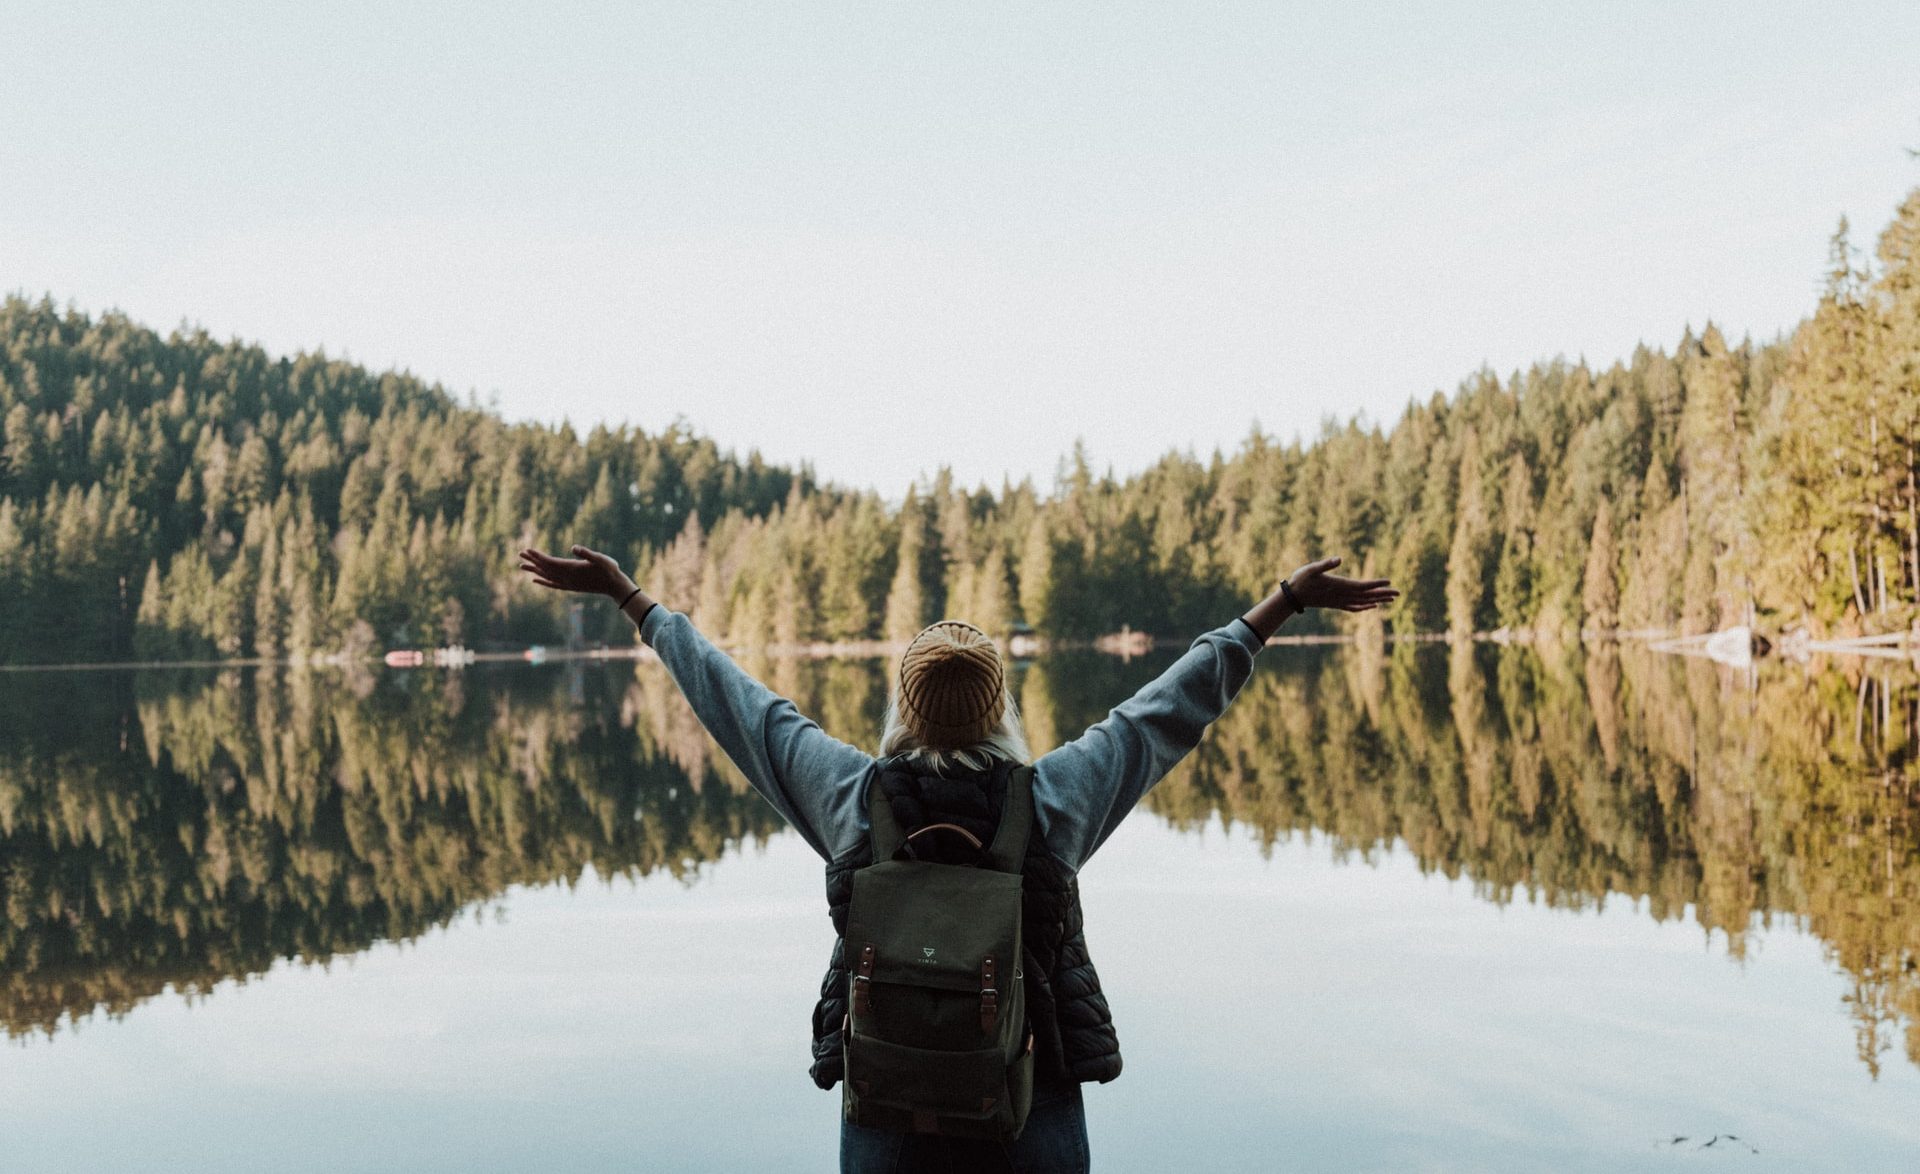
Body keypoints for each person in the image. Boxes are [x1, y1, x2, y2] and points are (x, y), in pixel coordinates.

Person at [516, 543, 1396, 1173]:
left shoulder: (853, 799)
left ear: (903, 707)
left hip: (891, 1104)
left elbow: (739, 706)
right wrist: (1283, 601)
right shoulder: (1053, 801)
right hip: (1030, 1098)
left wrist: (633, 599)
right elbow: (1169, 708)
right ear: (999, 710)